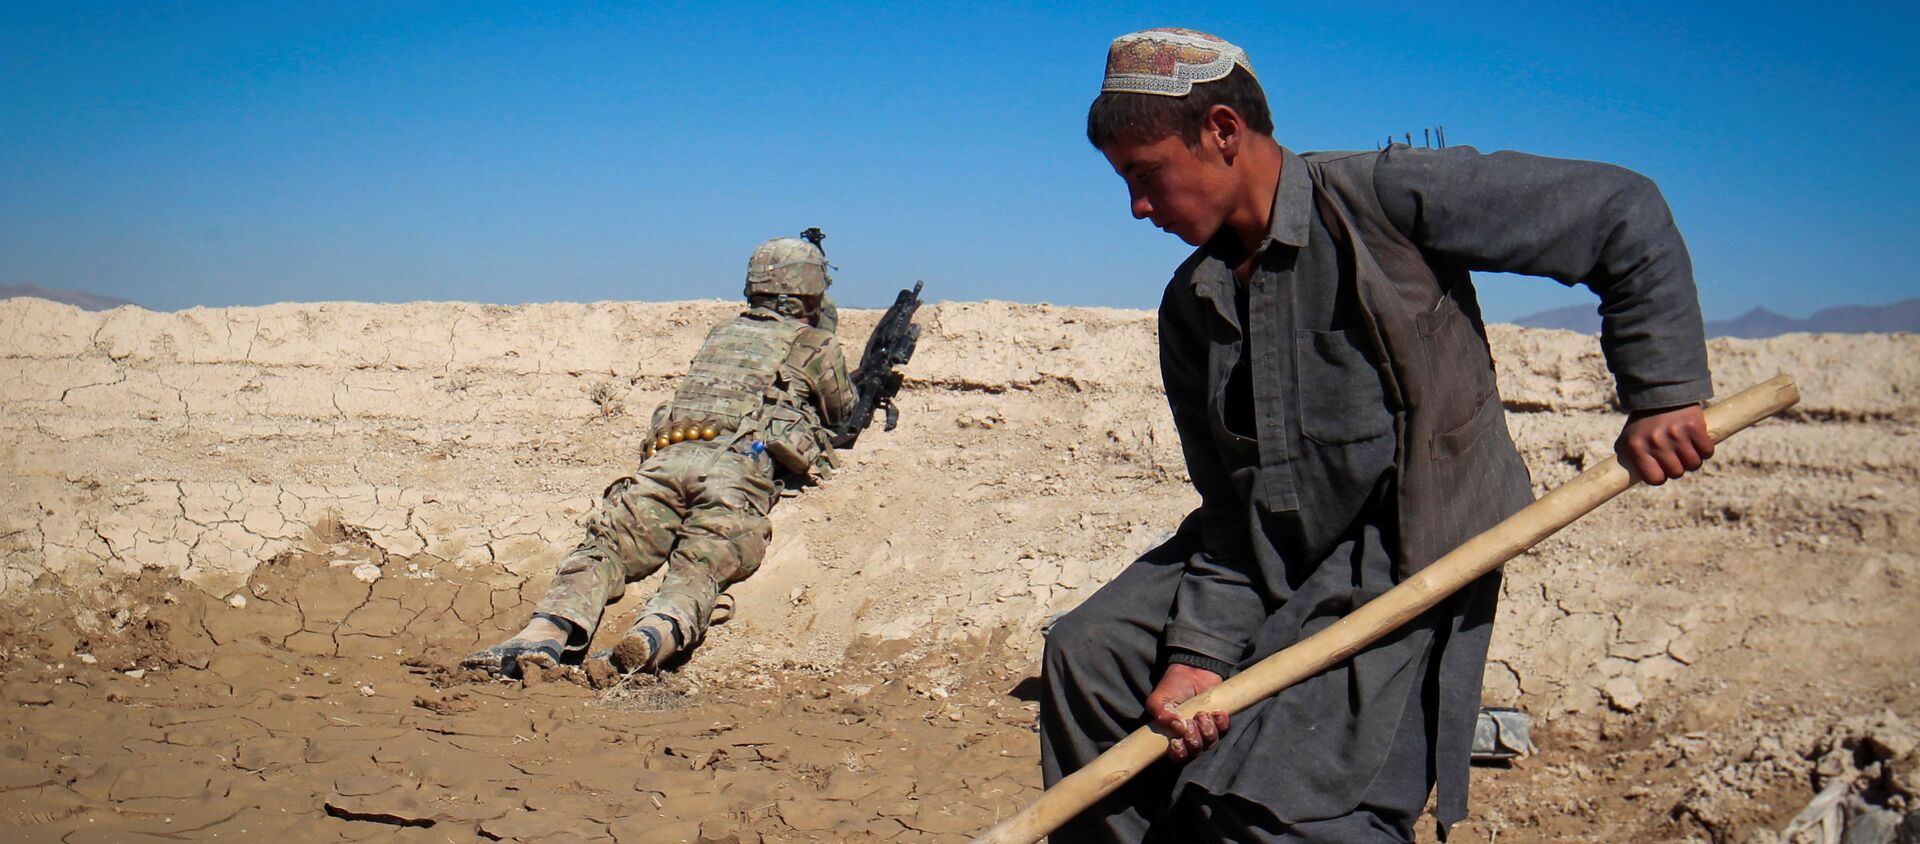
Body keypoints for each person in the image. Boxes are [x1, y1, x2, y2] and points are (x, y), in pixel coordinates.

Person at [1040, 28, 1717, 842]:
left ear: (1223, 130)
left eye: (1146, 177)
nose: (1137, 209)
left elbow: (1619, 212)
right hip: (1265, 552)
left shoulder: (1382, 199)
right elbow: (1229, 512)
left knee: (1285, 793)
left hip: (1405, 551)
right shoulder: (1194, 304)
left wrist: (1664, 393)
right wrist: (1199, 649)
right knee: (1092, 652)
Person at [463, 234, 856, 680]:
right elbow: (841, 415)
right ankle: (653, 636)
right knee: (702, 563)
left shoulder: (723, 333)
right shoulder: (814, 344)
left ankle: (540, 635)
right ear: (810, 291)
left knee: (606, 549)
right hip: (737, 470)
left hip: (667, 458)